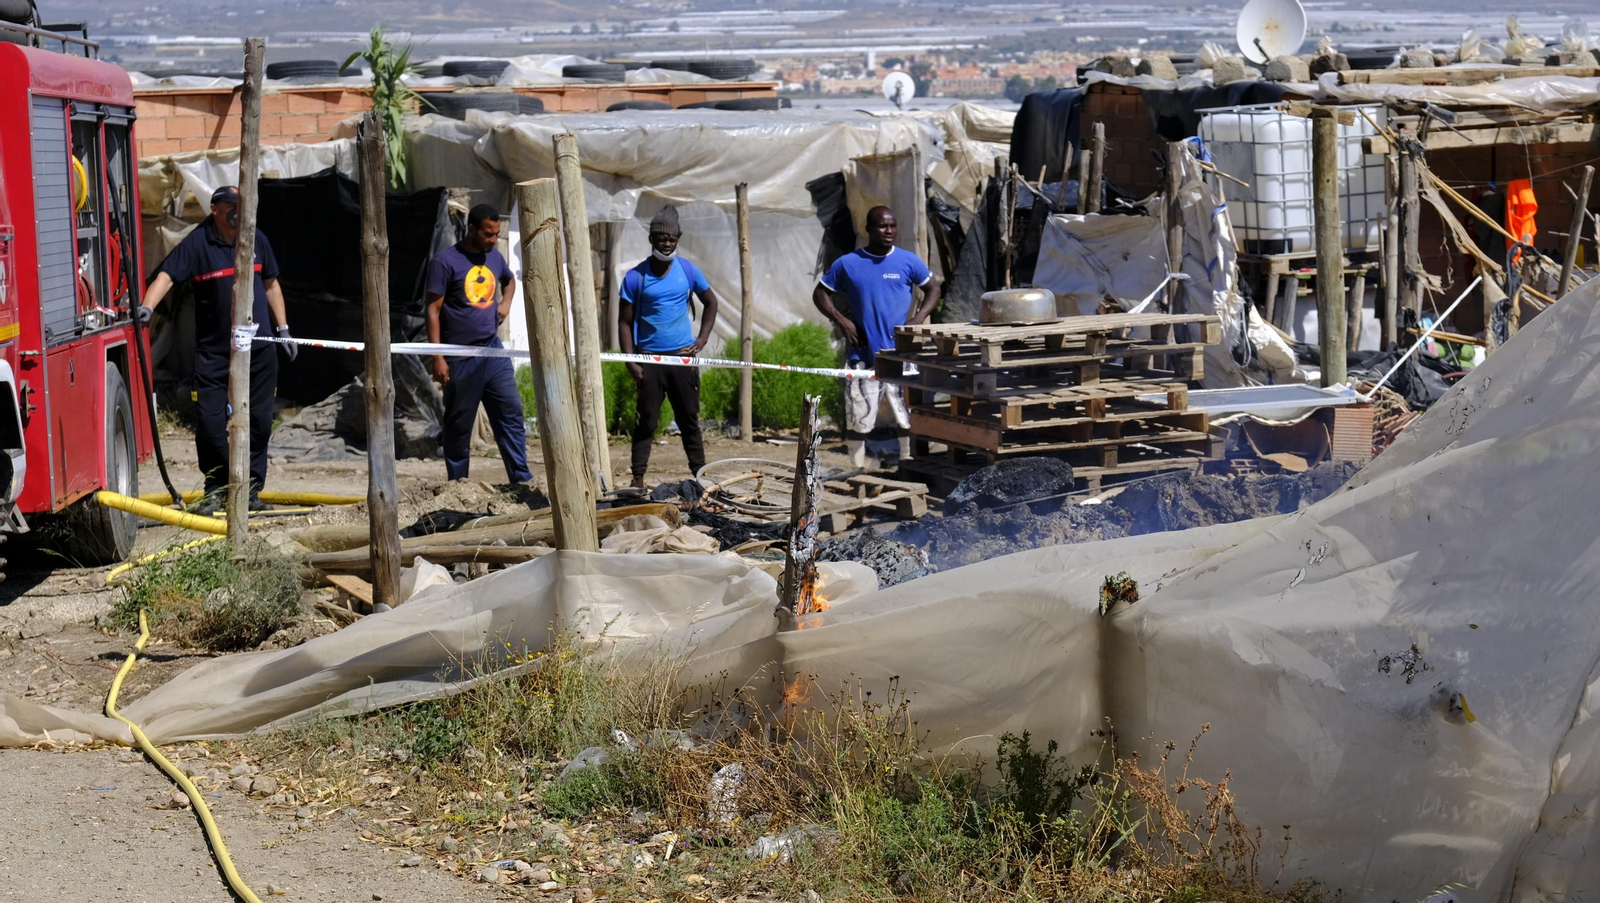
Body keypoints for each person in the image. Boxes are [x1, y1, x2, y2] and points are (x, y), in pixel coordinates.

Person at [138, 185, 296, 512]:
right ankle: (215, 489)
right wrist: (147, 308)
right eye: (230, 205)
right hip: (214, 354)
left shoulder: (256, 239)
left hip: (259, 350)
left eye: (241, 204)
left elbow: (271, 284)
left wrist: (283, 329)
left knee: (260, 422)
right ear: (215, 209)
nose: (237, 211)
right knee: (210, 425)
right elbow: (166, 277)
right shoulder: (198, 243)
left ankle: (251, 490)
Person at [812, 205, 941, 468]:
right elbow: (820, 294)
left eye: (893, 225)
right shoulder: (848, 263)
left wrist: (916, 321)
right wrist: (843, 321)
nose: (889, 231)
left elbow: (933, 290)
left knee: (907, 416)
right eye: (883, 226)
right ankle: (857, 471)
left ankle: (908, 465)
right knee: (858, 417)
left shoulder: (907, 261)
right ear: (868, 229)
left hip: (903, 355)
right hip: (863, 357)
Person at [424, 203, 533, 484]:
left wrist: (506, 303)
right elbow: (432, 310)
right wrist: (438, 356)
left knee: (510, 414)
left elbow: (509, 282)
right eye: (488, 234)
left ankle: (521, 481)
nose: (493, 239)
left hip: (493, 351)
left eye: (496, 234)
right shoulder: (445, 262)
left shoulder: (494, 258)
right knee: (459, 425)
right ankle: (458, 485)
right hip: (460, 355)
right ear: (471, 229)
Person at [618, 205, 720, 489]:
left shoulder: (688, 271)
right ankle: (637, 479)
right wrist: (631, 361)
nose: (667, 242)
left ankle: (700, 478)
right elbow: (624, 323)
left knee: (689, 420)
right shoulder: (635, 277)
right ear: (652, 239)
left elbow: (711, 303)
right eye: (661, 237)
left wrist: (701, 340)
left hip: (682, 360)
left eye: (672, 238)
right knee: (646, 422)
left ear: (678, 238)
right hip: (650, 362)